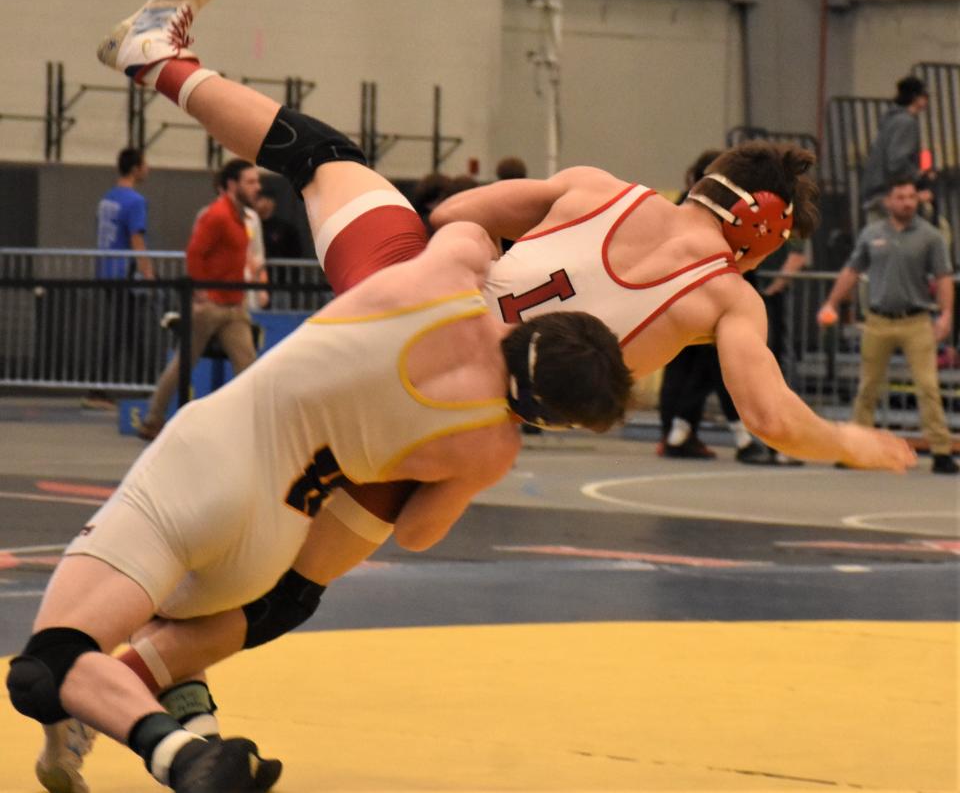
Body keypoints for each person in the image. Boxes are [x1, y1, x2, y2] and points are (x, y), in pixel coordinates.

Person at [36, 0, 917, 788]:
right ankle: (137, 681)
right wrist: (853, 442)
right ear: (763, 237)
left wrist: (490, 276)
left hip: (409, 304)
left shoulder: (596, 186)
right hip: (446, 431)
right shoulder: (725, 297)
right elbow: (769, 415)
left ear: (710, 182)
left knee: (321, 157)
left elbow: (454, 215)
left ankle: (160, 60)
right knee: (286, 593)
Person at [8, 195, 632, 792]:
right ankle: (198, 735)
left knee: (50, 661)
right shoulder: (492, 450)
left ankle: (179, 757)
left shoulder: (448, 274)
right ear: (553, 415)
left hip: (205, 463)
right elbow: (416, 533)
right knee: (173, 623)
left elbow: (463, 218)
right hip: (268, 543)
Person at [818, 178, 957, 474]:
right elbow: (852, 270)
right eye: (901, 197)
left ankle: (941, 451)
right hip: (878, 320)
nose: (907, 202)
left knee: (928, 387)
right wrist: (831, 303)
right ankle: (856, 449)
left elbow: (944, 277)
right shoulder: (872, 234)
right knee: (867, 387)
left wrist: (946, 314)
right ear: (888, 202)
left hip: (916, 320)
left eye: (911, 197)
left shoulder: (930, 236)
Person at [137, 159, 262, 440]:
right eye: (251, 182)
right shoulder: (216, 215)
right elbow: (194, 253)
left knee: (249, 367)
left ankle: (254, 427)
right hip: (212, 307)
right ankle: (153, 418)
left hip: (234, 306)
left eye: (257, 181)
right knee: (183, 363)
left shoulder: (242, 217)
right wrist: (201, 293)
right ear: (232, 185)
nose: (257, 187)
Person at [656, 149, 768, 464]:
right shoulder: (724, 213)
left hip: (690, 296)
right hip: (708, 296)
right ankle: (741, 438)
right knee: (714, 368)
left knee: (697, 369)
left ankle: (678, 432)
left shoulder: (685, 205)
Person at [84, 147, 155, 410]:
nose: (148, 169)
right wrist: (147, 271)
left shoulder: (107, 198)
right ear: (136, 168)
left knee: (128, 331)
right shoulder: (135, 201)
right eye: (145, 164)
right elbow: (136, 238)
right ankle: (101, 389)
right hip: (124, 274)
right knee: (125, 332)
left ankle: (146, 386)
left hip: (106, 271)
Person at [861, 76, 932, 223]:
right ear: (916, 97)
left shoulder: (890, 120)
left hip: (876, 193)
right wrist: (918, 175)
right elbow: (897, 162)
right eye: (924, 96)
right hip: (889, 195)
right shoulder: (906, 122)